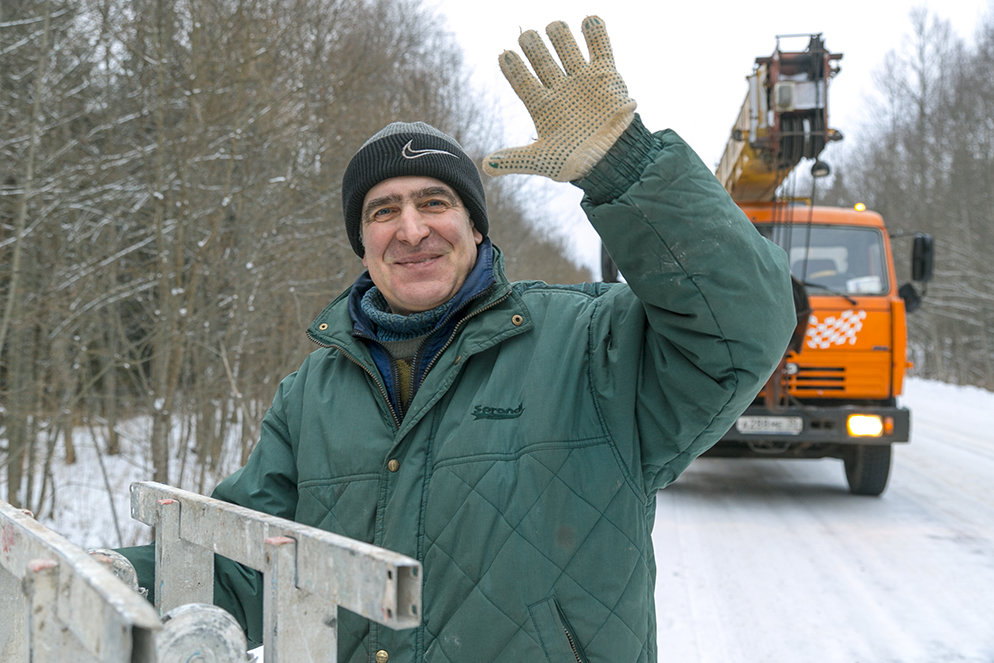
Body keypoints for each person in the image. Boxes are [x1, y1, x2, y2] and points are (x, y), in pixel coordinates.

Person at [121, 15, 795, 662]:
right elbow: (245, 560)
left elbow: (744, 328)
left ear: (476, 227)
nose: (411, 229)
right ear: (364, 245)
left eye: (435, 202)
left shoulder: (592, 344)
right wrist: (117, 581)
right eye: (383, 211)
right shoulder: (311, 396)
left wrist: (625, 164)